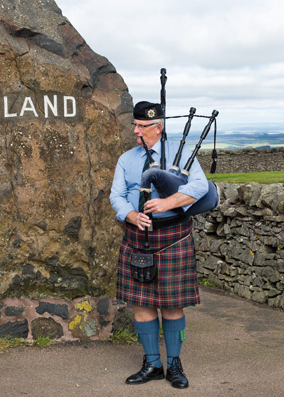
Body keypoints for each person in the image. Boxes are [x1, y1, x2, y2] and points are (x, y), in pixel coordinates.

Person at [110, 101, 209, 389]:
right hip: (137, 237)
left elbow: (200, 186)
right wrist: (131, 215)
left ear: (158, 127)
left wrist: (167, 202)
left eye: (141, 127)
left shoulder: (181, 155)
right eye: (135, 125)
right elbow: (116, 195)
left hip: (173, 237)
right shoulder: (127, 159)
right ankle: (152, 363)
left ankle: (174, 365)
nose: (135, 131)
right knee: (141, 304)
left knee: (173, 305)